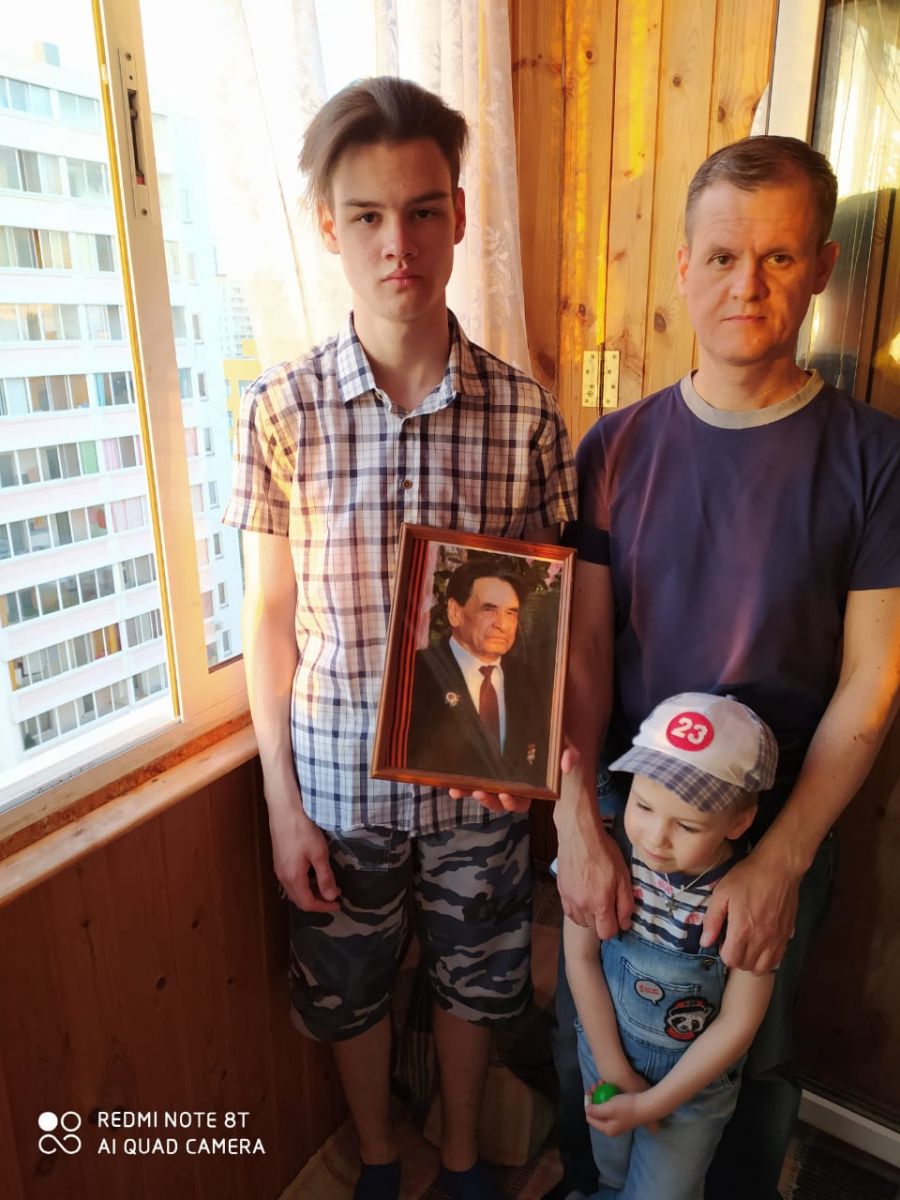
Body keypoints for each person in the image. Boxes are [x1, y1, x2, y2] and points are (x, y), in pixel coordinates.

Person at [223, 77, 577, 1200]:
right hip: (334, 787)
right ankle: (381, 1159)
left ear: (459, 215)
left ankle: (463, 1158)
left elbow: (547, 613)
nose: (399, 244)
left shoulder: (527, 415)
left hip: (480, 788)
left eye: (423, 211)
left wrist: (526, 758)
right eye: (368, 215)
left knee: (480, 986)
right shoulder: (280, 411)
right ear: (329, 227)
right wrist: (281, 804)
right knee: (346, 992)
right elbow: (267, 617)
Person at [539, 135, 900, 1200]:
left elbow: (873, 678)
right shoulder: (614, 448)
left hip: (769, 829)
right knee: (586, 1039)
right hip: (629, 815)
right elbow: (583, 650)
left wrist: (780, 861)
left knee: (753, 1060)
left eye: (779, 257)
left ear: (822, 267)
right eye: (724, 256)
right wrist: (577, 822)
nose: (748, 285)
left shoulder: (875, 458)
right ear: (684, 266)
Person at [566, 693, 778, 1200]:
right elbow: (580, 959)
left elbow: (739, 1022)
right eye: (642, 805)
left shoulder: (751, 903)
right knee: (610, 1174)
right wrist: (615, 1070)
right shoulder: (606, 858)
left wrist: (653, 1104)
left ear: (739, 822)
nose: (656, 837)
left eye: (687, 825)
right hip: (605, 1053)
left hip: (690, 1091)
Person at [407, 558, 550, 784]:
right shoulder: (415, 673)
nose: (502, 625)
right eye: (489, 610)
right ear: (455, 612)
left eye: (511, 613)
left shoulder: (530, 679)